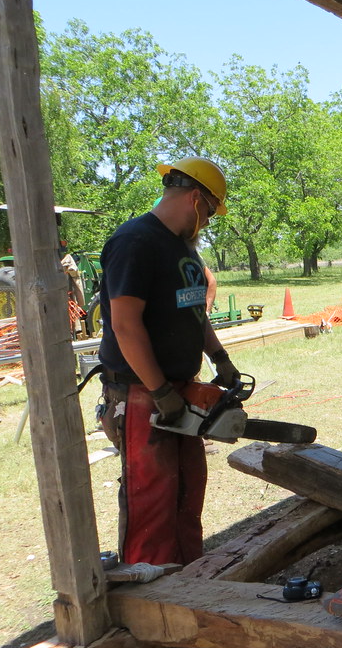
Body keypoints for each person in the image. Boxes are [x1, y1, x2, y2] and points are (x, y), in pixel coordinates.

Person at [98, 156, 240, 566]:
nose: (209, 221)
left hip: (179, 389)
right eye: (210, 211)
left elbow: (195, 312)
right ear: (196, 199)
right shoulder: (135, 243)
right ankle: (151, 589)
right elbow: (125, 326)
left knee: (187, 491)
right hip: (142, 392)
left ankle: (188, 577)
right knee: (152, 500)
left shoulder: (183, 249)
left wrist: (220, 357)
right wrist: (160, 391)